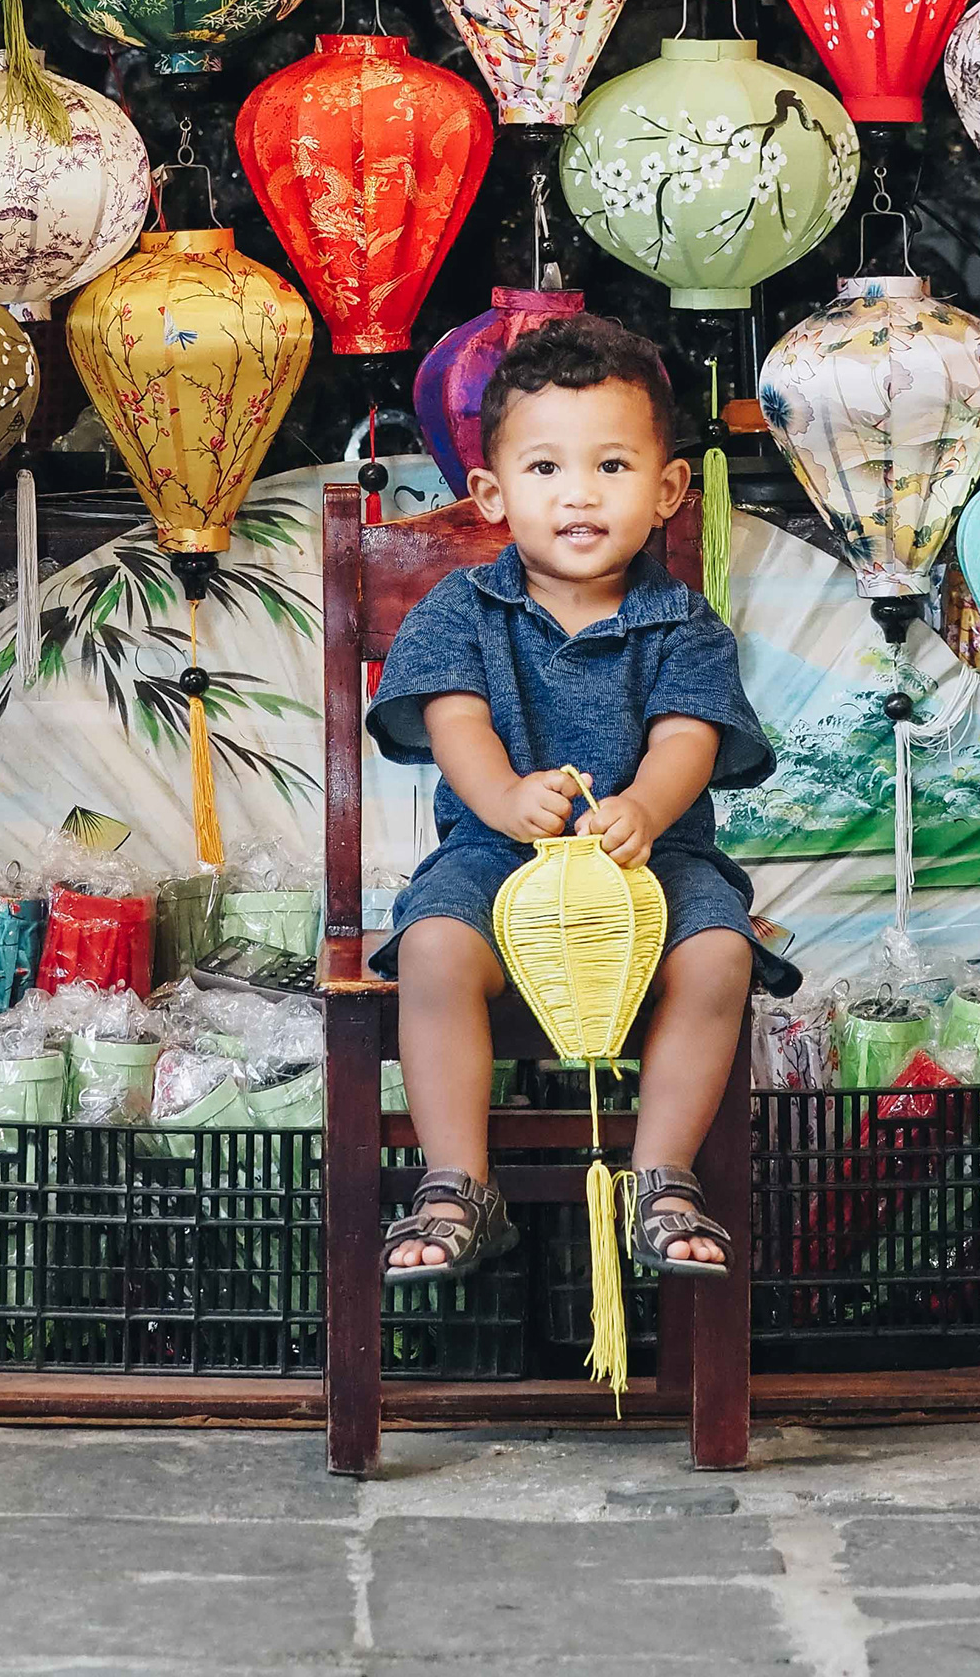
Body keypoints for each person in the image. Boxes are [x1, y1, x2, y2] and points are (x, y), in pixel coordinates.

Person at [366, 311, 773, 1287]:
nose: (579, 495)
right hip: (495, 858)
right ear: (493, 493)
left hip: (651, 863)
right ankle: (458, 1182)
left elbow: (689, 737)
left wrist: (643, 804)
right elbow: (456, 723)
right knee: (430, 947)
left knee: (719, 954)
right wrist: (504, 797)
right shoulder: (463, 610)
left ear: (669, 487)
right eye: (545, 469)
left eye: (613, 467)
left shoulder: (684, 624)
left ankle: (662, 1179)